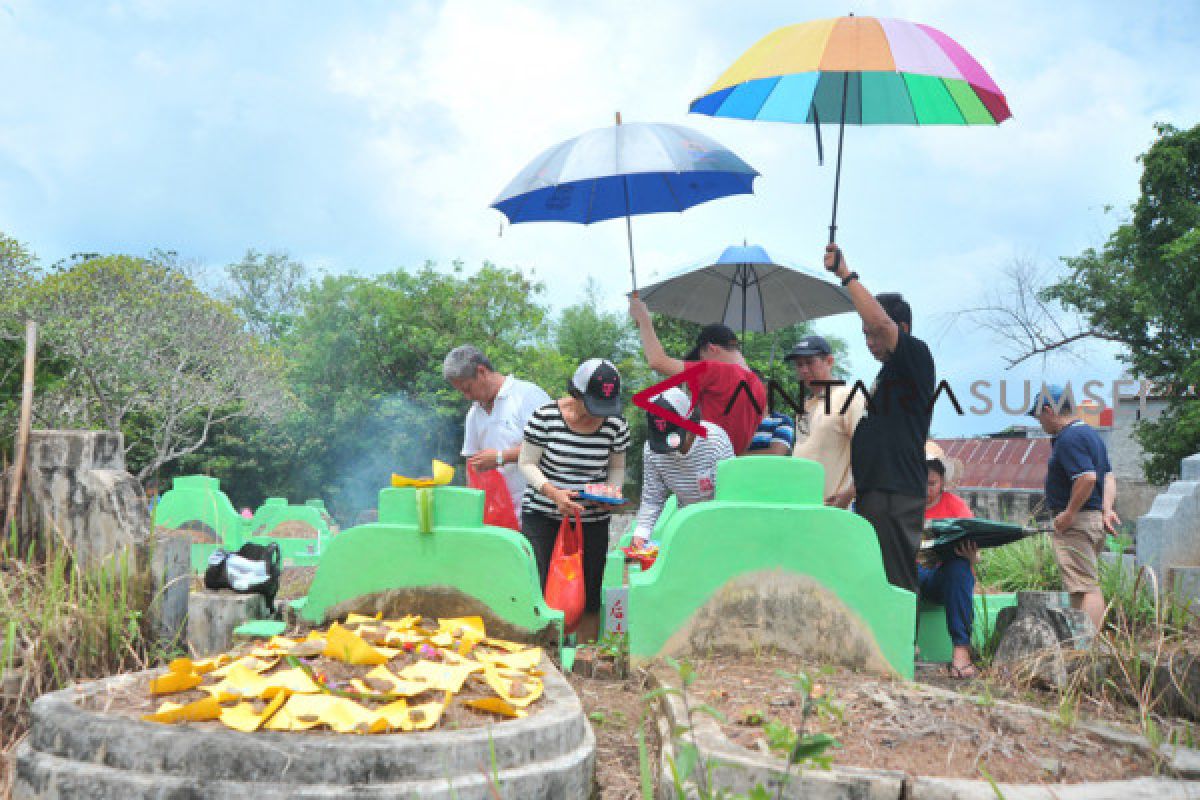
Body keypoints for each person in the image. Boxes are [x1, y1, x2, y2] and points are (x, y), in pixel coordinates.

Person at [824, 244, 936, 593]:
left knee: (896, 579)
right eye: (865, 336)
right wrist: (850, 492)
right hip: (876, 491)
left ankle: (904, 649)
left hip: (896, 491)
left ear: (901, 327)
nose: (870, 341)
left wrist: (846, 275)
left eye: (874, 333)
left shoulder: (915, 355)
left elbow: (880, 321)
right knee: (875, 578)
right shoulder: (886, 374)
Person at [518, 358, 630, 640]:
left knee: (589, 587)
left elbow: (616, 466)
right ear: (576, 395)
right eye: (593, 407)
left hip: (591, 518)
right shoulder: (545, 417)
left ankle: (584, 652)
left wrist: (612, 494)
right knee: (540, 583)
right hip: (544, 514)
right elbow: (527, 463)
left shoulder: (615, 425)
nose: (598, 416)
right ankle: (544, 648)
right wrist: (554, 493)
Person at [629, 295, 766, 455]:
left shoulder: (718, 370)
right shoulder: (760, 388)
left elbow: (657, 361)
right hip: (731, 470)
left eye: (701, 358)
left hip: (702, 465)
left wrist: (643, 317)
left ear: (712, 348)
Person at [1032, 384, 1119, 631]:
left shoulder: (1068, 438)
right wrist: (1107, 509)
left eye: (1039, 416)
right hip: (1091, 519)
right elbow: (1108, 476)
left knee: (1086, 587)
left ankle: (1090, 651)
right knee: (1079, 586)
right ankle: (1084, 646)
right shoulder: (1091, 435)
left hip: (1077, 522)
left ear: (1048, 410)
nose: (1040, 423)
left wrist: (1069, 513)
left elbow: (1088, 477)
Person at [443, 345, 551, 516]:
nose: (467, 397)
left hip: (537, 511)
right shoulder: (474, 413)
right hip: (499, 516)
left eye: (468, 388)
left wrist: (501, 457)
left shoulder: (527, 395)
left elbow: (550, 443)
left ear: (482, 371)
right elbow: (471, 463)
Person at [632, 388, 736, 546]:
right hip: (686, 524)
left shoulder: (715, 441)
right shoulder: (652, 450)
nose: (668, 446)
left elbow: (728, 497)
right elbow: (652, 498)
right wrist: (641, 535)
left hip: (721, 526)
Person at [919, 442, 980, 678]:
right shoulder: (904, 506)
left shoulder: (956, 506)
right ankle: (907, 647)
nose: (926, 490)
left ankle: (961, 653)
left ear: (942, 481)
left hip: (941, 579)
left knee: (959, 567)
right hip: (909, 574)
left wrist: (971, 557)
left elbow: (974, 547)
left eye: (932, 483)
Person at [786, 334, 865, 508]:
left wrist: (851, 492)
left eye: (810, 362)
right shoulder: (805, 404)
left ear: (829, 361)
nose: (804, 370)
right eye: (799, 364)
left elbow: (869, 451)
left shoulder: (849, 397)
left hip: (833, 507)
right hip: (800, 503)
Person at [746, 371, 795, 456]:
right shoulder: (735, 422)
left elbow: (776, 454)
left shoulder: (782, 421)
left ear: (765, 388)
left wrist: (737, 455)